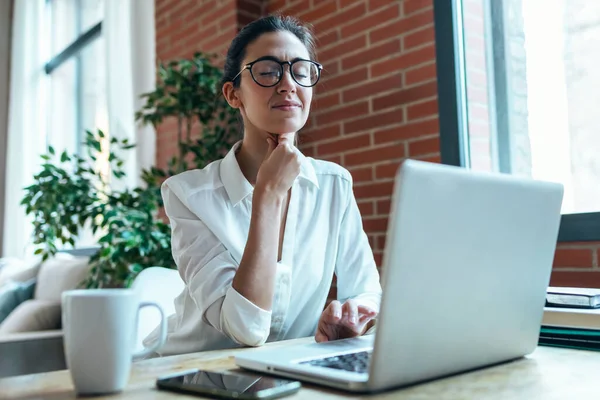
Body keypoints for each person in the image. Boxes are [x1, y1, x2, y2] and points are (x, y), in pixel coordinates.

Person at [143, 14, 382, 357]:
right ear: (233, 94)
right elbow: (246, 328)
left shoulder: (334, 185)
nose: (288, 84)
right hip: (189, 372)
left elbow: (368, 292)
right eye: (268, 71)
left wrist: (353, 315)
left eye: (301, 71)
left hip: (287, 369)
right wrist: (268, 195)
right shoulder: (188, 195)